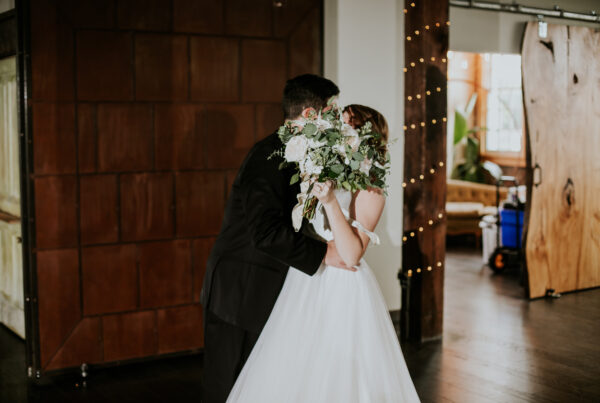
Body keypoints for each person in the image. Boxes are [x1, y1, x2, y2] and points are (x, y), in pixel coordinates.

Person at [226, 105, 421, 402]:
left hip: (343, 287)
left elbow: (352, 255)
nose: (340, 133)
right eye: (339, 126)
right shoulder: (327, 171)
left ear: (366, 139)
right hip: (308, 277)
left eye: (349, 128)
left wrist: (330, 201)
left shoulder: (371, 191)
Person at [200, 74, 350, 403]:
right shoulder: (268, 156)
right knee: (229, 388)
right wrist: (325, 253)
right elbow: (265, 232)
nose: (337, 121)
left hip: (271, 287)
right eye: (333, 112)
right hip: (240, 290)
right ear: (311, 116)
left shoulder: (306, 155)